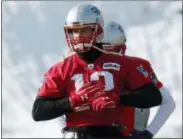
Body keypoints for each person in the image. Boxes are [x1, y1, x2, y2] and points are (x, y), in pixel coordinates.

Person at [32, 4, 163, 139]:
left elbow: (153, 96)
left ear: (98, 30)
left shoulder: (122, 63)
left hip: (112, 132)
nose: (78, 36)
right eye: (74, 31)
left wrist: (117, 98)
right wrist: (71, 102)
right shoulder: (60, 69)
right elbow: (38, 111)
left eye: (84, 30)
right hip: (76, 133)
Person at [102, 20, 176, 138]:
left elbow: (168, 102)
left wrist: (148, 133)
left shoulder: (137, 66)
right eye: (102, 52)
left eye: (112, 51)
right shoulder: (79, 68)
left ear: (122, 48)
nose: (108, 57)